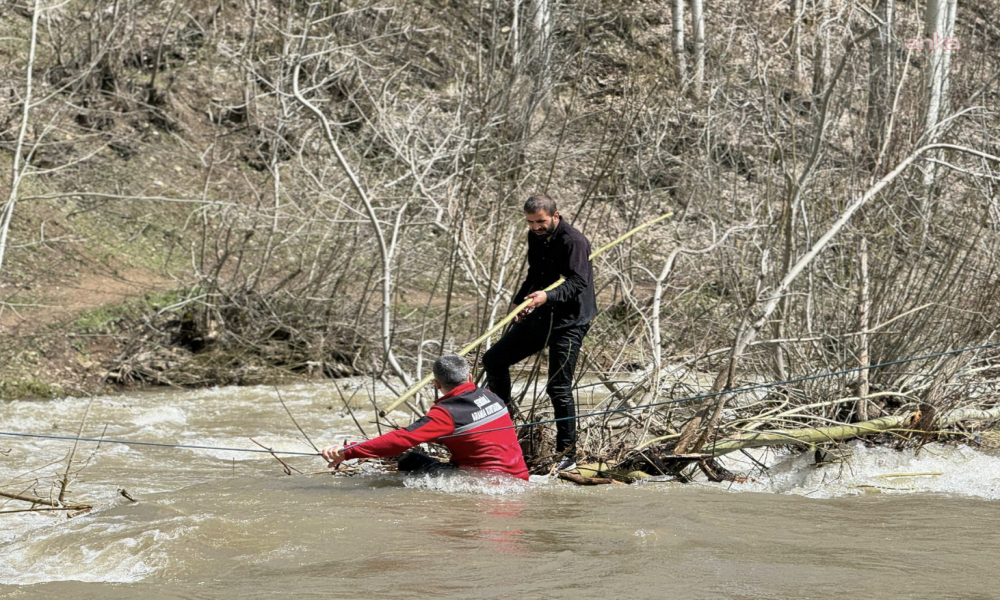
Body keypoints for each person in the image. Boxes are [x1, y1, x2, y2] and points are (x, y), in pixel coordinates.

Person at [482, 194, 596, 473]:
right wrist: (520, 302)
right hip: (541, 314)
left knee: (557, 387)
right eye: (531, 222)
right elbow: (535, 272)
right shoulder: (535, 236)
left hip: (571, 321)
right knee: (493, 360)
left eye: (541, 221)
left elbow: (578, 281)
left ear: (556, 216)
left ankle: (566, 453)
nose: (535, 227)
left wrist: (547, 296)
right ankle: (504, 430)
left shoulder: (574, 241)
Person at [320, 354, 529, 480]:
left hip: (484, 484)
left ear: (437, 384)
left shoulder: (445, 414)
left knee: (411, 460)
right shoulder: (491, 396)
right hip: (520, 479)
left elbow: (400, 440)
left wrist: (348, 451)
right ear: (470, 378)